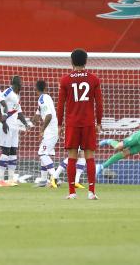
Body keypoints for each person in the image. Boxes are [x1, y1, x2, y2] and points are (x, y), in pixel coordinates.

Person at [57, 48, 103, 200]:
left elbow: (61, 105)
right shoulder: (94, 79)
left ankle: (72, 192)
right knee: (89, 156)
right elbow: (99, 103)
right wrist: (99, 122)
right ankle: (91, 192)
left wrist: (59, 124)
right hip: (88, 122)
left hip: (72, 123)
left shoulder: (65, 80)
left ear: (71, 61)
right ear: (86, 61)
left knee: (72, 156)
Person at [0, 76, 29, 186]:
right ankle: (0, 179)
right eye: (21, 82)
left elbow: (18, 112)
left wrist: (25, 124)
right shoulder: (8, 91)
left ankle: (11, 179)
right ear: (16, 84)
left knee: (13, 151)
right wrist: (3, 122)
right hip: (7, 125)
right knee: (5, 151)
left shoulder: (17, 95)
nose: (22, 84)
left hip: (15, 127)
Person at [33, 80, 58, 187]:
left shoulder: (42, 99)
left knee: (42, 153)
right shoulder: (45, 98)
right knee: (45, 153)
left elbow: (49, 115)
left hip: (50, 130)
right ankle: (43, 180)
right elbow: (37, 116)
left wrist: (42, 130)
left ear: (36, 89)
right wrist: (28, 125)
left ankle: (55, 177)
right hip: (52, 129)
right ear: (45, 88)